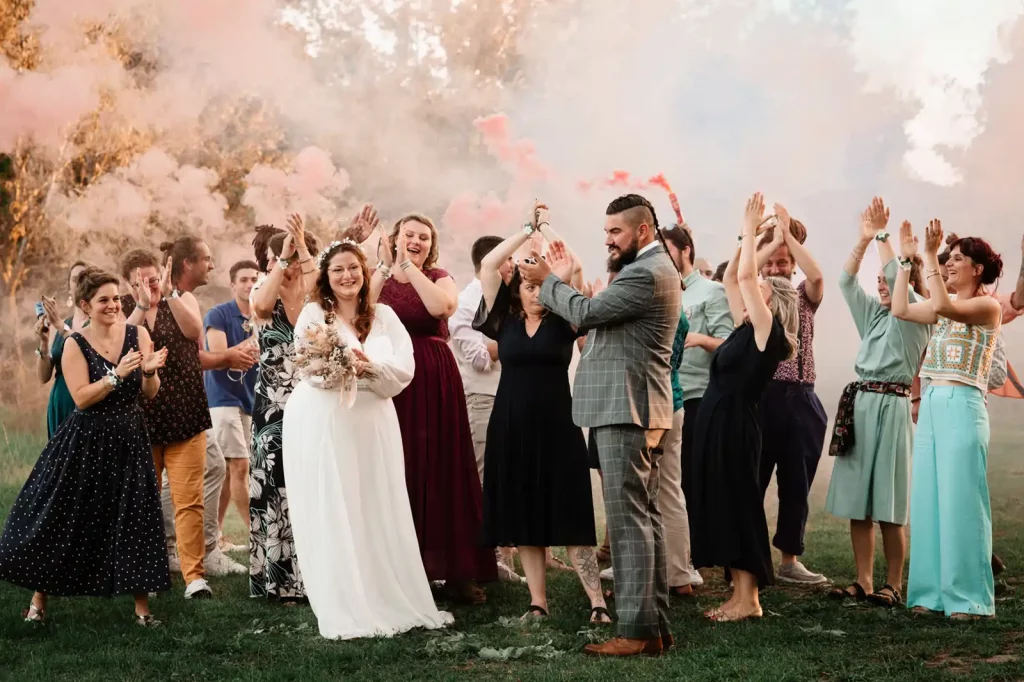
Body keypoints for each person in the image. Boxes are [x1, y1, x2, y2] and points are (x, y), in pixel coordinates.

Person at [520, 193, 680, 657]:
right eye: (606, 231)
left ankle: (634, 631)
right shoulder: (650, 270)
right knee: (645, 520)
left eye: (616, 232)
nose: (607, 239)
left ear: (643, 232)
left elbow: (587, 314)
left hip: (625, 408)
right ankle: (654, 627)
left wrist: (546, 280)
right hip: (637, 406)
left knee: (630, 524)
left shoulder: (645, 272)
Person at [282, 240, 453, 639]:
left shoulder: (387, 316)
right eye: (338, 269)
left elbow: (403, 371)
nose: (347, 276)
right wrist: (348, 370)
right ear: (326, 276)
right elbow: (311, 370)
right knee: (335, 505)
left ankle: (384, 593)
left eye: (353, 268)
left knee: (376, 503)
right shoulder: (313, 314)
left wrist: (369, 368)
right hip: (324, 420)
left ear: (364, 271)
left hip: (374, 420)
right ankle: (344, 599)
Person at [0, 267, 170, 626]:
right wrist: (116, 375)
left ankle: (142, 611)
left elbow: (149, 394)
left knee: (134, 517)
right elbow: (80, 399)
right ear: (84, 305)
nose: (112, 305)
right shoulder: (75, 343)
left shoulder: (138, 334)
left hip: (129, 437)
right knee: (64, 517)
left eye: (115, 299)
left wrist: (150, 372)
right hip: (87, 440)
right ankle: (38, 601)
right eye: (103, 300)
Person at [474, 211, 609, 624]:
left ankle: (597, 602)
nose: (534, 292)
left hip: (558, 425)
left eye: (540, 286)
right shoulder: (503, 321)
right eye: (528, 286)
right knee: (524, 511)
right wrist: (523, 232)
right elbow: (487, 265)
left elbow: (576, 265)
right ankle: (538, 602)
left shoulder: (566, 318)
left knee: (570, 511)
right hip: (510, 424)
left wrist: (546, 230)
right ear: (517, 290)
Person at [373, 213, 497, 603]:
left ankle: (458, 571)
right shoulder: (379, 276)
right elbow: (362, 314)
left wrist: (410, 268)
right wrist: (384, 269)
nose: (415, 240)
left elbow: (441, 308)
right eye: (408, 234)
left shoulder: (440, 275)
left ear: (431, 244)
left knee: (443, 470)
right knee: (401, 468)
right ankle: (407, 571)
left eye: (423, 237)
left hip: (432, 376)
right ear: (395, 237)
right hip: (394, 379)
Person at [689, 193, 799, 622]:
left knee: (739, 505)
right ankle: (738, 595)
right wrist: (762, 238)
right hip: (718, 423)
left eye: (764, 289)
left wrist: (753, 230)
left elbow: (748, 276)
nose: (756, 286)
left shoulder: (767, 333)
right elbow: (735, 274)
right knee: (721, 503)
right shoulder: (745, 328)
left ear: (771, 302)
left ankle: (749, 600)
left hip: (737, 425)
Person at [824, 198, 932, 608]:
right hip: (862, 405)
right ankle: (864, 580)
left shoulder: (918, 313)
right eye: (881, 282)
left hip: (892, 407)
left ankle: (893, 583)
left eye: (888, 281)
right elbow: (846, 282)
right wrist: (864, 240)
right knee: (858, 501)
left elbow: (894, 274)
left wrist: (886, 238)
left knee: (889, 502)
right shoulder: (874, 315)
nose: (882, 285)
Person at [892, 220, 1002, 620]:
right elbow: (901, 308)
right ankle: (929, 594)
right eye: (948, 258)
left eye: (958, 259)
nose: (950, 263)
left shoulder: (987, 305)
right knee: (929, 499)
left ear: (978, 269)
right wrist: (906, 260)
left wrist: (928, 256)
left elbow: (943, 306)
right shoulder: (945, 302)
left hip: (963, 402)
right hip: (936, 400)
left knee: (961, 501)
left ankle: (970, 599)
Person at [121, 241, 215, 600]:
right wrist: (142, 306)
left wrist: (170, 295)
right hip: (142, 421)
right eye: (138, 282)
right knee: (143, 501)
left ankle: (194, 577)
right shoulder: (126, 309)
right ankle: (149, 572)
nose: (148, 285)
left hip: (186, 415)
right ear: (129, 285)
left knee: (188, 500)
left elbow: (194, 333)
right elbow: (119, 345)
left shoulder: (182, 298)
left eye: (152, 278)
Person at [754, 211, 829, 585]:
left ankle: (789, 560)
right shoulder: (757, 297)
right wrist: (767, 241)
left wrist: (787, 237)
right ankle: (748, 558)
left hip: (801, 397)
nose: (775, 267)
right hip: (763, 396)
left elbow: (816, 276)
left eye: (782, 261)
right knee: (753, 478)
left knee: (796, 483)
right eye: (769, 262)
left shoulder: (804, 295)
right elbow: (744, 273)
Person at [249, 216, 320, 604]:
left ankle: (313, 575)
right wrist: (282, 261)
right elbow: (260, 308)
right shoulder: (264, 288)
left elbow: (322, 305)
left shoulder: (314, 293)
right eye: (286, 256)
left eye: (297, 256)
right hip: (272, 404)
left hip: (313, 396)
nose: (292, 263)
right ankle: (276, 579)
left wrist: (305, 254)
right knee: (273, 482)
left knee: (309, 479)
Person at [449, 236, 521, 583]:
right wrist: (514, 339)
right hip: (483, 399)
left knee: (512, 476)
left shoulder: (510, 294)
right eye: (508, 260)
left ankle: (514, 553)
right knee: (485, 479)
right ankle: (489, 558)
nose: (513, 266)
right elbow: (477, 359)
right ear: (490, 262)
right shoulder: (466, 303)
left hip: (512, 395)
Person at [672, 224, 735, 592]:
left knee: (690, 481)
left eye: (668, 250)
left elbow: (730, 344)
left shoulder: (712, 291)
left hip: (698, 394)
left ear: (685, 250)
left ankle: (692, 560)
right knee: (665, 484)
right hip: (661, 395)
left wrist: (698, 338)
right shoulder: (660, 288)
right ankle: (674, 559)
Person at [205, 261, 261, 552]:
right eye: (244, 279)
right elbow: (217, 354)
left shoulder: (263, 314)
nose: (250, 283)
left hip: (249, 399)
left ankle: (216, 537)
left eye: (255, 278)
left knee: (229, 471)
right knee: (240, 466)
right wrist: (258, 340)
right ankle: (257, 537)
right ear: (233, 284)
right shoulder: (219, 314)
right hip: (222, 398)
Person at [34, 261, 91, 438]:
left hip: (88, 403)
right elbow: (43, 377)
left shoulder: (99, 322)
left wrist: (58, 325)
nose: (80, 283)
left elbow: (85, 349)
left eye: (85, 278)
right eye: (75, 279)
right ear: (69, 288)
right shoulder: (62, 324)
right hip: (60, 404)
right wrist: (43, 343)